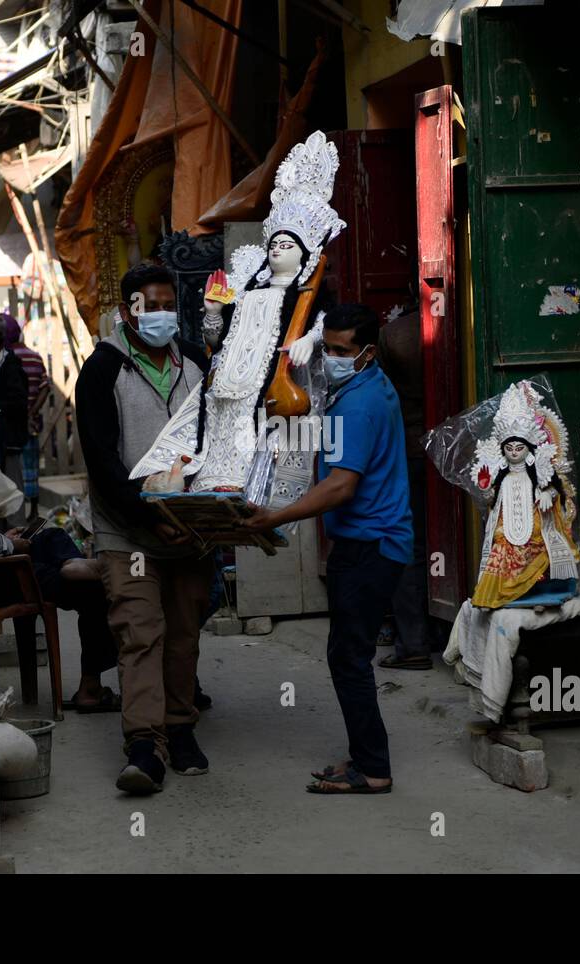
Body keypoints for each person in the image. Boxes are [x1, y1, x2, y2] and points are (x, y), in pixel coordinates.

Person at [244, 303, 413, 794]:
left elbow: (341, 486)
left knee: (349, 658)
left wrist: (276, 516)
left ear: (367, 352)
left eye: (343, 351)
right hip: (371, 542)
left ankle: (373, 769)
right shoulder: (363, 385)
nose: (333, 358)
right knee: (348, 654)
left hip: (370, 547)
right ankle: (365, 757)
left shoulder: (359, 402)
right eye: (329, 349)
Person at [75, 263, 214, 794]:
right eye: (147, 305)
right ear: (126, 310)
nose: (159, 314)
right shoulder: (103, 369)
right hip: (127, 534)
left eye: (165, 304)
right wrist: (151, 516)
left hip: (192, 529)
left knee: (183, 634)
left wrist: (200, 516)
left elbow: (216, 444)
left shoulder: (196, 365)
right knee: (140, 634)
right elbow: (103, 465)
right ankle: (143, 744)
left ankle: (180, 729)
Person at [0, 520, 119, 713]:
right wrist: (9, 544)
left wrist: (3, 539)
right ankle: (90, 690)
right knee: (95, 588)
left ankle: (71, 561)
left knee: (52, 535)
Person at [375, 308, 435, 670]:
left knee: (407, 546)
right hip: (457, 446)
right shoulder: (457, 319)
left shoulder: (395, 333)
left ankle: (413, 642)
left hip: (409, 446)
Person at [0, 314, 29, 528]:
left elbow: (18, 401)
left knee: (11, 479)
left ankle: (17, 531)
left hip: (6, 431)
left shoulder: (11, 363)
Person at [3, 313, 50, 521]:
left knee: (13, 467)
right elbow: (44, 387)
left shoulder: (5, 358)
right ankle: (34, 511)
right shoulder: (34, 356)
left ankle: (15, 512)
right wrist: (31, 412)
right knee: (31, 465)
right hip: (31, 423)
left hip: (11, 424)